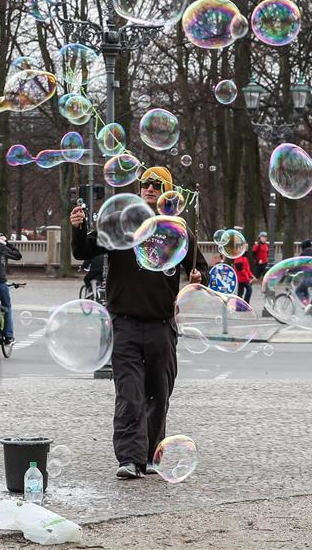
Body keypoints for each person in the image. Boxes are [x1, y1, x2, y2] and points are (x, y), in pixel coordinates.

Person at [71, 166, 209, 479]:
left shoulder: (177, 231)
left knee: (159, 394)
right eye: (146, 183)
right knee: (130, 394)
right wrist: (78, 228)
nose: (150, 188)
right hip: (124, 324)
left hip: (161, 325)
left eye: (157, 185)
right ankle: (130, 459)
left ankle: (149, 456)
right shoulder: (120, 223)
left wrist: (199, 276)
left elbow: (201, 269)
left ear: (167, 193)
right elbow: (83, 250)